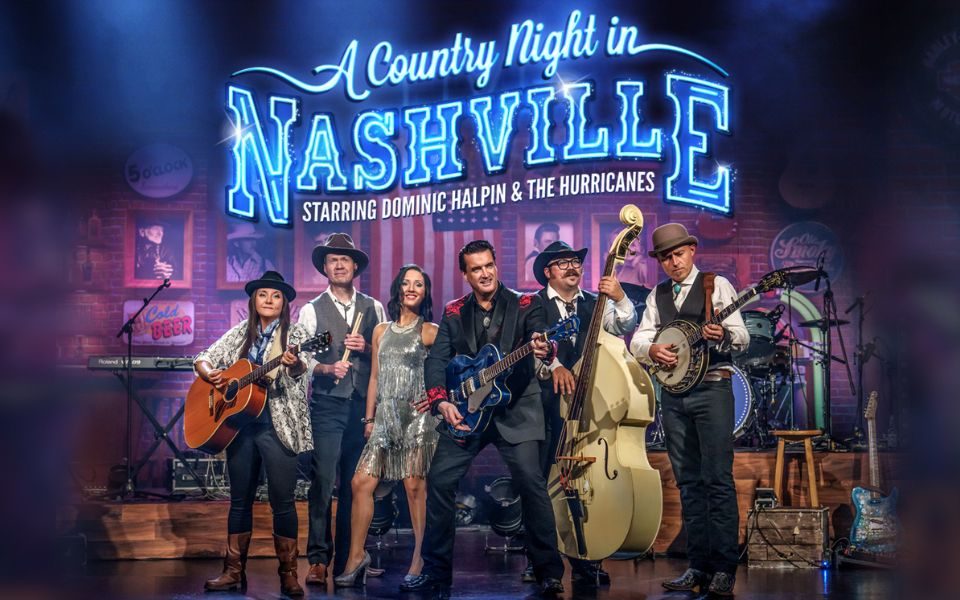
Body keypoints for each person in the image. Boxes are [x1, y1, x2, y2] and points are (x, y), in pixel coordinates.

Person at [402, 240, 565, 598]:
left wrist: (544, 345)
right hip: (469, 411)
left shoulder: (525, 303)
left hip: (516, 407)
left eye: (489, 265)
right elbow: (437, 361)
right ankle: (436, 573)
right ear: (466, 274)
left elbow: (541, 335)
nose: (485, 272)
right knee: (440, 480)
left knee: (531, 482)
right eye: (476, 268)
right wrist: (441, 401)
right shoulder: (455, 311)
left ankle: (548, 571)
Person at [629, 224, 749, 598]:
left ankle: (724, 567)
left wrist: (723, 335)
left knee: (716, 478)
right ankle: (697, 566)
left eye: (678, 254)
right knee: (688, 483)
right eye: (665, 257)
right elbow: (639, 337)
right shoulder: (658, 294)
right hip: (675, 397)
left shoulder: (716, 286)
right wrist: (651, 351)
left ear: (692, 251)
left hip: (712, 389)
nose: (673, 262)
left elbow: (742, 337)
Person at [193, 271, 314, 596]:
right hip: (241, 429)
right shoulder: (239, 333)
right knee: (239, 501)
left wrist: (293, 363)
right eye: (263, 295)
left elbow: (303, 370)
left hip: (280, 427)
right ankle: (233, 571)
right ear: (254, 300)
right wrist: (213, 375)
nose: (269, 301)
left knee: (283, 502)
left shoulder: (297, 333)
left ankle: (289, 574)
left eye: (276, 296)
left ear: (285, 302)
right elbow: (203, 357)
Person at [525, 240, 638, 587]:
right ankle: (542, 562)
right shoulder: (533, 304)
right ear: (547, 272)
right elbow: (530, 343)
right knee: (541, 485)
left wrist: (618, 296)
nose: (572, 268)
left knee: (587, 483)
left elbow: (623, 325)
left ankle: (587, 557)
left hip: (587, 407)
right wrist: (556, 364)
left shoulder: (595, 302)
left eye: (575, 261)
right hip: (542, 407)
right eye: (562, 263)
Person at [334, 264, 440, 587]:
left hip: (418, 421)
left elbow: (449, 369)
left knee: (414, 487)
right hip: (385, 421)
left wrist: (436, 398)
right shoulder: (381, 331)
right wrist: (369, 419)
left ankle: (420, 557)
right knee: (360, 483)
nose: (411, 288)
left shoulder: (430, 331)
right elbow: (375, 379)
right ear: (398, 289)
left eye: (418, 285)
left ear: (424, 293)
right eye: (406, 283)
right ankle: (356, 556)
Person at [296, 233, 386, 585]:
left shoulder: (373, 307)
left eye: (345, 259)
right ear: (324, 267)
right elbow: (301, 358)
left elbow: (385, 356)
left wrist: (366, 347)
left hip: (363, 408)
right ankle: (318, 559)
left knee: (356, 485)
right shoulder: (311, 309)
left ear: (355, 267)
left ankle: (351, 558)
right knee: (322, 481)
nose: (339, 264)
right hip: (328, 406)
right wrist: (326, 368)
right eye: (333, 259)